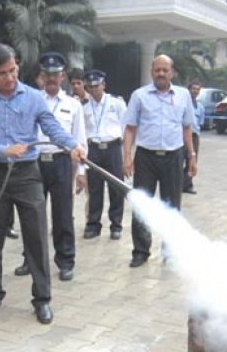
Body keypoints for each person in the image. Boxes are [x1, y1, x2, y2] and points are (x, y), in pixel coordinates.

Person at [0, 43, 86, 324]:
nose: (9, 78)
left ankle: (42, 299)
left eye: (13, 71)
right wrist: (3, 149)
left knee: (36, 237)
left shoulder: (34, 97)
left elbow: (52, 127)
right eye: (2, 74)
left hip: (26, 175)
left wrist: (73, 145)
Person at [14, 52, 87, 282]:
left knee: (63, 214)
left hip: (61, 163)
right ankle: (30, 258)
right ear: (42, 76)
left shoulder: (73, 105)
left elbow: (79, 139)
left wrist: (81, 173)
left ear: (63, 76)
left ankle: (65, 261)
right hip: (34, 163)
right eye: (48, 74)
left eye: (56, 74)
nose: (52, 78)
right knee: (32, 214)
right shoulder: (32, 100)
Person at [123, 54, 197, 268]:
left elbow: (186, 128)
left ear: (172, 72)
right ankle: (140, 251)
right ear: (151, 72)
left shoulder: (183, 96)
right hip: (145, 157)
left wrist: (192, 156)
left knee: (172, 205)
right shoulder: (139, 96)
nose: (161, 74)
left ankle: (170, 251)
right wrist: (127, 157)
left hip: (174, 157)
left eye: (165, 70)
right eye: (157, 70)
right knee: (141, 205)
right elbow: (129, 128)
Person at [82, 69, 127, 240]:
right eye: (90, 87)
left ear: (104, 85)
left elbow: (125, 125)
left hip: (113, 147)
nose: (94, 89)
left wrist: (124, 149)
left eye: (96, 85)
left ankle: (116, 225)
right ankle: (93, 224)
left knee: (116, 187)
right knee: (94, 188)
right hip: (93, 149)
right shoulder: (85, 108)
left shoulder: (116, 104)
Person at [183, 80, 204, 195]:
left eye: (197, 89)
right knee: (179, 160)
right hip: (182, 136)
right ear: (189, 89)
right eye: (193, 88)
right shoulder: (184, 104)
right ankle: (178, 183)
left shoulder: (200, 106)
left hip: (195, 136)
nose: (195, 91)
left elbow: (200, 122)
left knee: (192, 160)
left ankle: (187, 185)